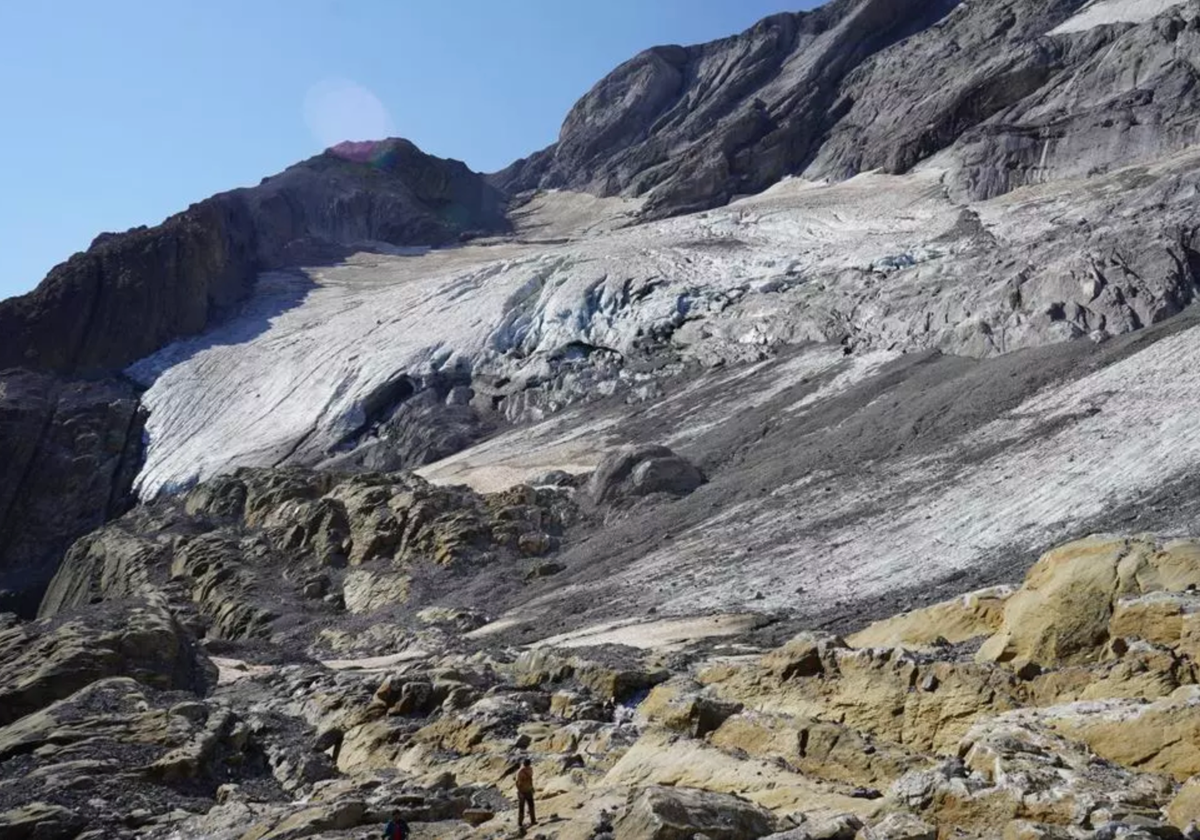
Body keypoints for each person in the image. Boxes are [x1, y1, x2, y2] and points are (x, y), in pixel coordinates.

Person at [516, 758, 537, 829]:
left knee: (521, 807)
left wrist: (519, 791)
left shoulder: (520, 771)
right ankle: (533, 820)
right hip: (528, 790)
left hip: (522, 791)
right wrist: (532, 787)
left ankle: (520, 823)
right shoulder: (530, 769)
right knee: (531, 805)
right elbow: (531, 779)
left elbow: (518, 783)